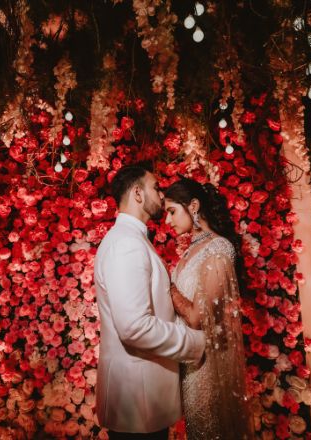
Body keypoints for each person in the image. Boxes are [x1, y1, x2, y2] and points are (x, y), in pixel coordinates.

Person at [94, 165, 206, 440]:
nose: (161, 193)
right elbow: (134, 327)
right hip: (138, 402)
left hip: (142, 399)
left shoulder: (131, 240)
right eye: (156, 187)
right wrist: (197, 343)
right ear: (138, 194)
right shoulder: (126, 245)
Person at [163, 177, 255, 440]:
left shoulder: (218, 248)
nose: (168, 221)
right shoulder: (190, 252)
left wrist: (168, 288)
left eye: (172, 212)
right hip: (189, 363)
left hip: (208, 368)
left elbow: (196, 318)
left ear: (193, 205)